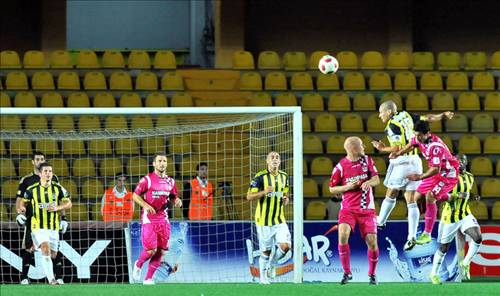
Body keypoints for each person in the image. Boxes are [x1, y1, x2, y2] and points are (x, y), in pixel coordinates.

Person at [372, 100, 454, 251]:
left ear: (389, 112)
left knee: (391, 193)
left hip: (402, 161)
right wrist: (442, 115)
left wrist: (382, 148)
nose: (379, 115)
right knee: (411, 200)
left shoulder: (392, 125)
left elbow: (398, 147)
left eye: (381, 112)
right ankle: (412, 237)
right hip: (416, 160)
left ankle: (381, 221)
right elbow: (427, 118)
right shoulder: (407, 115)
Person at [390, 120, 459, 250]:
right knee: (416, 198)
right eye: (416, 134)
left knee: (430, 196)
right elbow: (411, 143)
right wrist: (398, 153)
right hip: (435, 173)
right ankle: (446, 199)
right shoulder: (419, 138)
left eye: (420, 135)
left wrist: (419, 177)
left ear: (428, 133)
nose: (417, 137)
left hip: (447, 174)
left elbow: (435, 169)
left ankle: (427, 233)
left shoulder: (435, 146)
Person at [329, 137, 380, 285]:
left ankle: (372, 274)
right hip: (348, 209)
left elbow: (376, 179)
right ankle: (347, 273)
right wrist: (347, 187)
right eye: (361, 145)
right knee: (343, 235)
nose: (364, 147)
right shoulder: (340, 167)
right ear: (354, 149)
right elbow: (332, 188)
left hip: (367, 209)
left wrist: (368, 182)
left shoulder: (368, 161)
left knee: (372, 242)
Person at [15, 151, 68, 285]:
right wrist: (19, 213)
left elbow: (61, 200)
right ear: (33, 162)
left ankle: (58, 276)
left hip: (52, 223)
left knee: (54, 253)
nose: (39, 161)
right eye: (37, 159)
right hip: (33, 220)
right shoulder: (27, 180)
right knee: (29, 247)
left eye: (42, 159)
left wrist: (64, 218)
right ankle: (25, 278)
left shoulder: (54, 180)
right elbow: (20, 200)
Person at [430, 154, 482, 284]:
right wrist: (457, 195)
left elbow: (467, 193)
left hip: (465, 214)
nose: (459, 162)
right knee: (443, 248)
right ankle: (433, 274)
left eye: (462, 160)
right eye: (456, 160)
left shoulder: (470, 176)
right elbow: (439, 195)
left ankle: (465, 262)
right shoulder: (447, 176)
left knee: (478, 237)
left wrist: (473, 196)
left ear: (466, 162)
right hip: (450, 217)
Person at [131, 153, 182, 285]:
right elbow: (135, 196)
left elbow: (173, 196)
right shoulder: (146, 180)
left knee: (161, 251)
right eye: (159, 161)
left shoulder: (171, 181)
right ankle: (139, 263)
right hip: (149, 219)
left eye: (164, 161)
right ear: (154, 164)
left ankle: (148, 279)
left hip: (163, 220)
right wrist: (146, 205)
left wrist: (177, 201)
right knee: (150, 250)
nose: (162, 163)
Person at [247, 151, 291, 285]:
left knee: (285, 247)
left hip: (279, 220)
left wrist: (286, 199)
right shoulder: (260, 177)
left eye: (277, 157)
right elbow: (249, 196)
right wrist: (264, 192)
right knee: (266, 251)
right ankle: (263, 278)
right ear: (267, 161)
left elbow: (285, 194)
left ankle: (272, 264)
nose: (275, 159)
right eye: (272, 157)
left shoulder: (284, 176)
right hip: (263, 221)